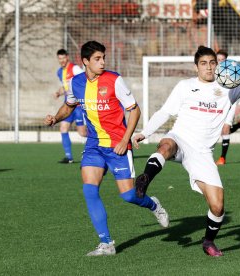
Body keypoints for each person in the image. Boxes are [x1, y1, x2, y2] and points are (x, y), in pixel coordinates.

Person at [133, 46, 240, 257]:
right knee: (165, 146)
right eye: (204, 63)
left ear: (217, 65)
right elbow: (165, 112)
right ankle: (145, 180)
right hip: (180, 139)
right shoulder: (185, 86)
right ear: (196, 67)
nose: (209, 67)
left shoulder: (229, 88)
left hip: (202, 153)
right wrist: (144, 132)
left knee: (218, 205)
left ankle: (208, 241)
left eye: (212, 63)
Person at [44, 41, 169, 256]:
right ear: (85, 61)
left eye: (103, 58)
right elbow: (69, 105)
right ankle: (107, 244)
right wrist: (56, 117)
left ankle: (153, 205)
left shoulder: (114, 80)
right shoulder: (76, 83)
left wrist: (125, 140)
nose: (102, 62)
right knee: (89, 189)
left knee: (129, 196)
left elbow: (134, 110)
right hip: (93, 145)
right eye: (97, 59)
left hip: (117, 145)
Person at [216, 49, 240, 165]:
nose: (220, 62)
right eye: (218, 59)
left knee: (225, 130)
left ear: (226, 60)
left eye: (222, 60)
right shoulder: (214, 73)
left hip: (231, 103)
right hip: (218, 105)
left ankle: (222, 158)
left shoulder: (232, 71)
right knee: (222, 131)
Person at [54, 49, 87, 163]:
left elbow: (84, 81)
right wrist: (59, 92)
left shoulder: (75, 68)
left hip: (78, 106)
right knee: (63, 127)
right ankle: (69, 157)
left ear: (67, 57)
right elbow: (66, 87)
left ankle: (99, 144)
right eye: (59, 58)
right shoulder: (60, 72)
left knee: (82, 133)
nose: (62, 60)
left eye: (63, 58)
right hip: (68, 105)